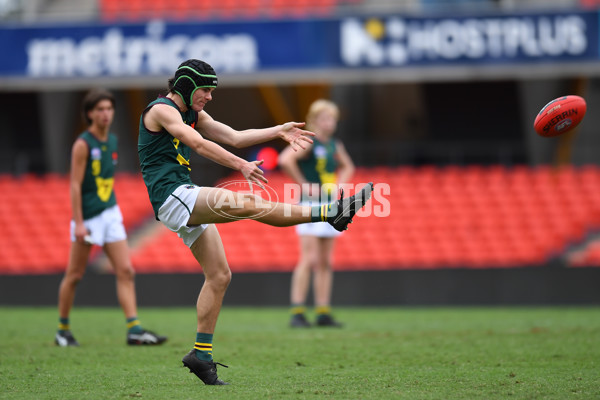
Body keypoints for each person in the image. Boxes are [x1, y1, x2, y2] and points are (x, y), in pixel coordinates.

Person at [137, 59, 373, 385]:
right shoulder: (162, 110)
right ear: (188, 85)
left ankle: (200, 356)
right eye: (205, 89)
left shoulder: (193, 113)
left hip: (184, 193)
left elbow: (234, 136)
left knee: (220, 275)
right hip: (171, 195)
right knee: (249, 203)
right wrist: (241, 166)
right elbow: (198, 144)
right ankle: (330, 213)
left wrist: (278, 130)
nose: (209, 96)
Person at [56, 89, 167, 347]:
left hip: (110, 213)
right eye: (100, 109)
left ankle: (134, 329)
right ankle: (62, 329)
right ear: (90, 114)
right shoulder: (83, 144)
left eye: (109, 108)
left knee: (126, 270)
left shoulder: (112, 141)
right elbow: (74, 185)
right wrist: (80, 222)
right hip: (89, 216)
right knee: (74, 275)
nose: (106, 113)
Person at [278, 99, 355, 328]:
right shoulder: (309, 142)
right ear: (315, 120)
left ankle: (322, 311)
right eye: (325, 118)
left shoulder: (334, 144)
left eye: (332, 118)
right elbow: (285, 159)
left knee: (325, 261)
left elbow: (349, 166)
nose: (329, 123)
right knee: (308, 258)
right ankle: (298, 311)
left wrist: (340, 185)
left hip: (330, 205)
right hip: (310, 206)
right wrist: (302, 184)